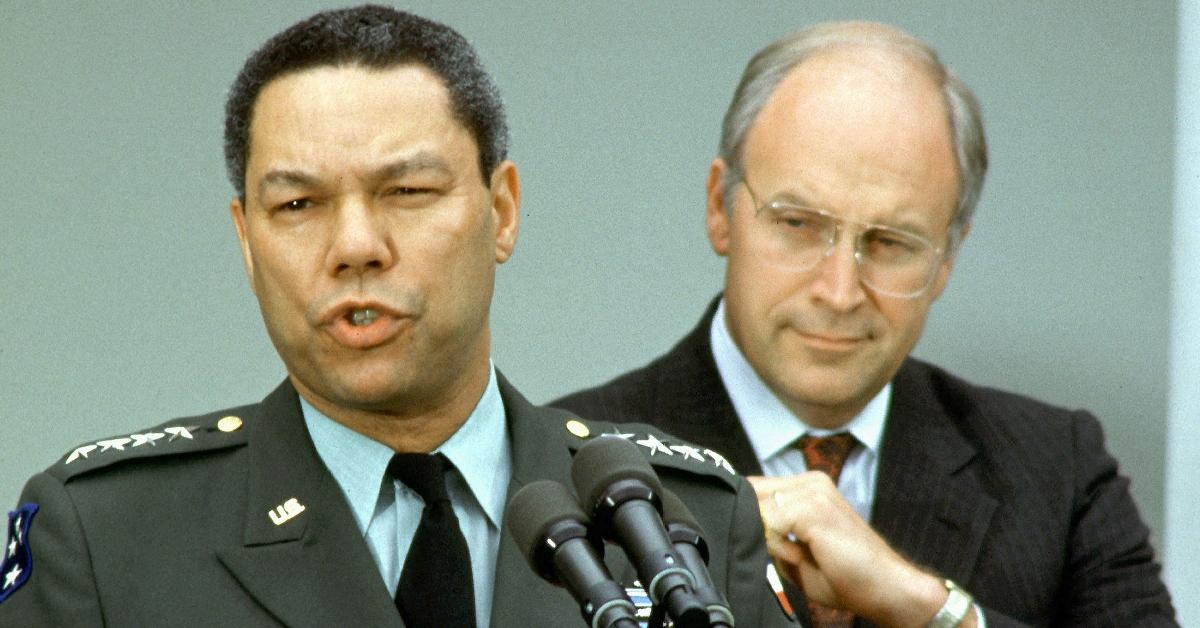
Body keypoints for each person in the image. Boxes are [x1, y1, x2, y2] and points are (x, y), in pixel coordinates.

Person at [0, 6, 790, 627]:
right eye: (298, 203)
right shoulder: (109, 538)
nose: (355, 247)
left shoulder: (679, 521)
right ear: (246, 240)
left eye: (406, 193)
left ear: (502, 210)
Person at [554, 21, 1178, 628]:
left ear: (947, 258)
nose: (840, 291)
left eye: (889, 242)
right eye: (797, 224)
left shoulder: (1057, 472)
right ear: (721, 208)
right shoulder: (562, 460)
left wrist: (928, 609)